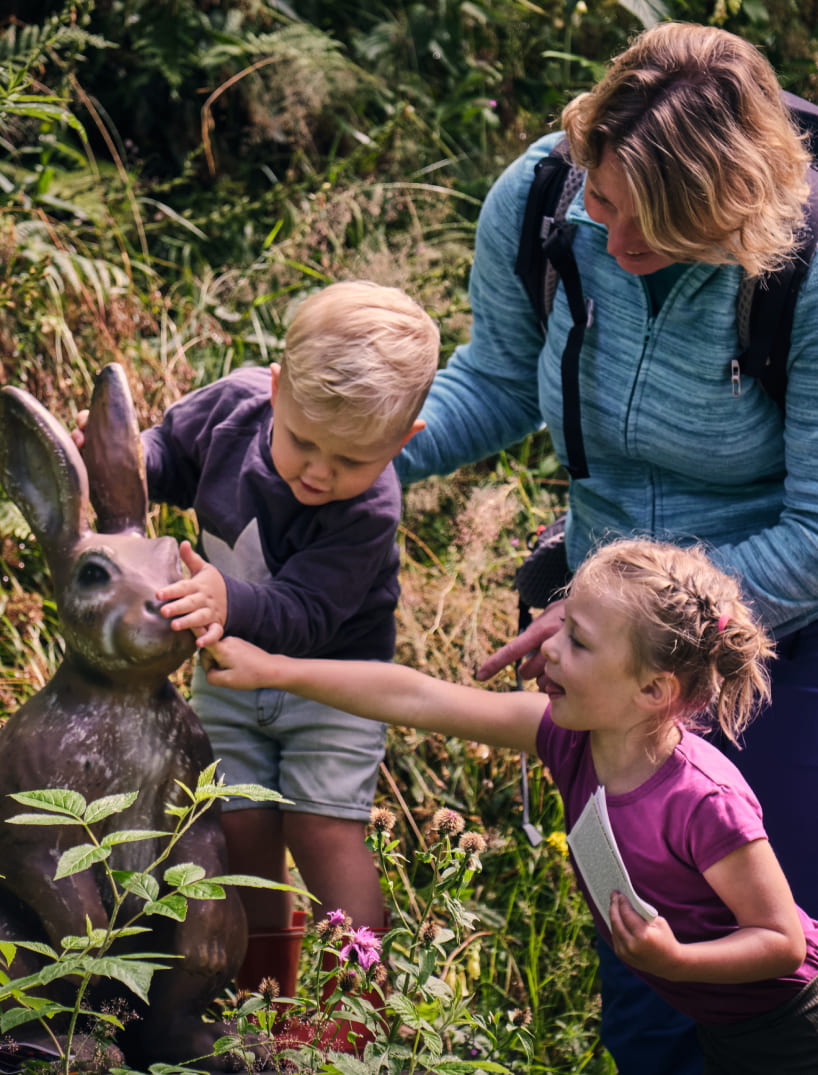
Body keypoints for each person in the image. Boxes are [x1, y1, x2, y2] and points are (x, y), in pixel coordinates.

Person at [391, 21, 818, 1074]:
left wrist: (634, 618)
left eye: (656, 228)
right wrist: (349, 458)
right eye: (605, 201)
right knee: (650, 974)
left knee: (765, 960)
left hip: (779, 635)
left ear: (739, 213)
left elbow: (814, 538)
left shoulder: (806, 271)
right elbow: (495, 376)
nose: (612, 242)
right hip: (616, 644)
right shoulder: (544, 199)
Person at [202, 538, 818, 1075]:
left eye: (577, 641)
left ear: (653, 690)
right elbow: (418, 698)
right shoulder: (567, 736)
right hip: (723, 1020)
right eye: (563, 623)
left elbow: (781, 940)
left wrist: (677, 961)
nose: (549, 648)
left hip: (791, 1029)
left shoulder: (702, 800)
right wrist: (274, 669)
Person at [75, 280, 439, 1014]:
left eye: (349, 458)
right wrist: (118, 468)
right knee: (236, 824)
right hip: (231, 678)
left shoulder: (369, 507)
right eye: (303, 441)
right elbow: (167, 455)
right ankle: (258, 995)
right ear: (275, 390)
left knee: (321, 826)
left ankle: (359, 1003)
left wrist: (226, 601)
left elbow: (305, 612)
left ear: (404, 442)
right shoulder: (231, 410)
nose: (318, 471)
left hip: (332, 685)